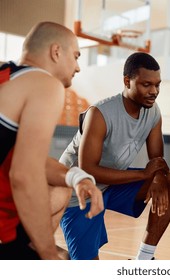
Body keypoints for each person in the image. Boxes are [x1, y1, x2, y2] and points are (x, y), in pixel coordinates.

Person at [59, 52, 170, 260]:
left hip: (111, 185)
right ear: (127, 81)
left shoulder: (153, 112)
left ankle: (145, 259)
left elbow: (157, 161)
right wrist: (144, 175)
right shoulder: (100, 113)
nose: (154, 91)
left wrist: (158, 176)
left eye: (157, 85)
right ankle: (37, 251)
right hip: (78, 192)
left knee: (169, 182)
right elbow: (88, 170)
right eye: (146, 85)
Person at [0, 22, 103, 260]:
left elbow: (27, 161)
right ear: (56, 52)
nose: (78, 67)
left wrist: (78, 177)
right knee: (59, 259)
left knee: (61, 188)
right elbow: (24, 175)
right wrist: (48, 256)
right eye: (76, 56)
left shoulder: (9, 77)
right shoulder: (46, 84)